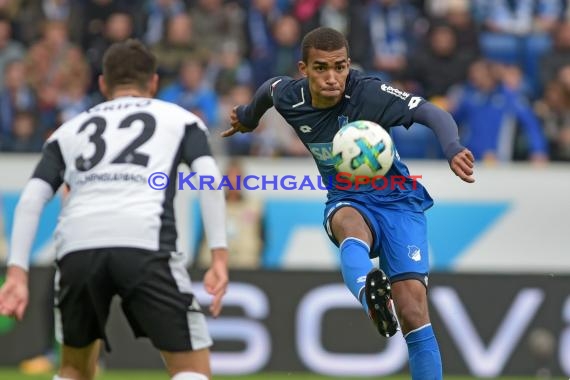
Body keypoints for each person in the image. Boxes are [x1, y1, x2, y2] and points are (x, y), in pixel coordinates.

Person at [222, 27, 475, 379]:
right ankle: (370, 297)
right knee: (348, 223)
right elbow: (267, 92)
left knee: (413, 311)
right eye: (321, 68)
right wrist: (248, 117)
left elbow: (431, 112)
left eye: (339, 67)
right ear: (304, 69)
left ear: (348, 65)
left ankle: (381, 301)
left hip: (400, 201)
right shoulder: (290, 97)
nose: (332, 77)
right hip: (348, 196)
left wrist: (452, 148)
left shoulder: (368, 93)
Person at [0, 39, 229, 380]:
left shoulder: (68, 131)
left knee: (75, 370)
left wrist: (17, 273)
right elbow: (209, 178)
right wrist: (219, 256)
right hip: (145, 242)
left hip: (78, 248)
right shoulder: (180, 120)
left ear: (103, 84)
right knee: (191, 369)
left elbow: (33, 198)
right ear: (153, 83)